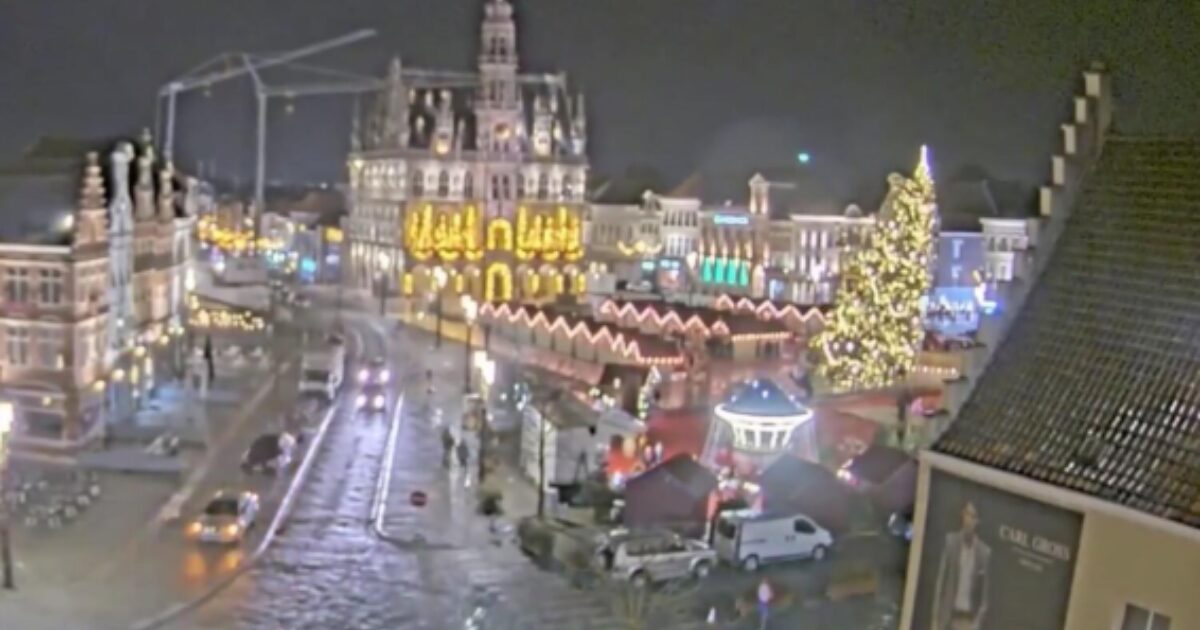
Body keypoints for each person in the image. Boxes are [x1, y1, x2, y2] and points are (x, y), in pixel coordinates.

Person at [932, 501, 991, 630]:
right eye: (967, 514)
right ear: (962, 515)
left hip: (968, 620)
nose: (969, 519)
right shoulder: (950, 542)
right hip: (948, 616)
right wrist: (935, 620)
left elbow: (985, 597)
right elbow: (940, 584)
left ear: (978, 521)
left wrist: (976, 624)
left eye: (973, 516)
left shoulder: (984, 553)